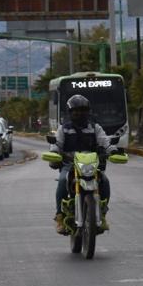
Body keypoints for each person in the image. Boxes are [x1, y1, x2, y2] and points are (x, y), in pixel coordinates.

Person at [50, 94, 112, 234]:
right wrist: (54, 152)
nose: (80, 113)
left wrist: (112, 150)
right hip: (70, 164)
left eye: (83, 110)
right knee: (62, 181)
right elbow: (57, 144)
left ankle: (102, 214)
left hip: (91, 165)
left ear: (88, 112)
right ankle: (59, 216)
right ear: (70, 112)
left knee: (105, 181)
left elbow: (104, 141)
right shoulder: (63, 129)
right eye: (76, 110)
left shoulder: (95, 128)